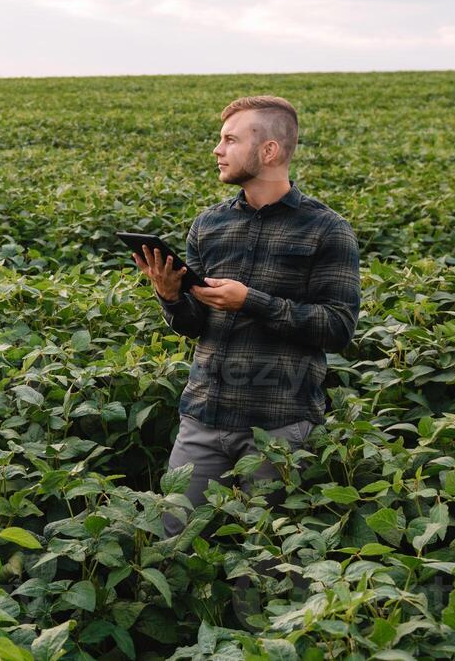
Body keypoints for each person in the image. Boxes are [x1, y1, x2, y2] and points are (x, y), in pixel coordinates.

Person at [132, 95, 361, 541]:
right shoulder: (208, 226)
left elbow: (338, 327)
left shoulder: (327, 229)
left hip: (280, 427)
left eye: (229, 140)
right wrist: (171, 296)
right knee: (170, 537)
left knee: (270, 554)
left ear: (269, 151)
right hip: (202, 415)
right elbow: (195, 325)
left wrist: (251, 301)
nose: (217, 150)